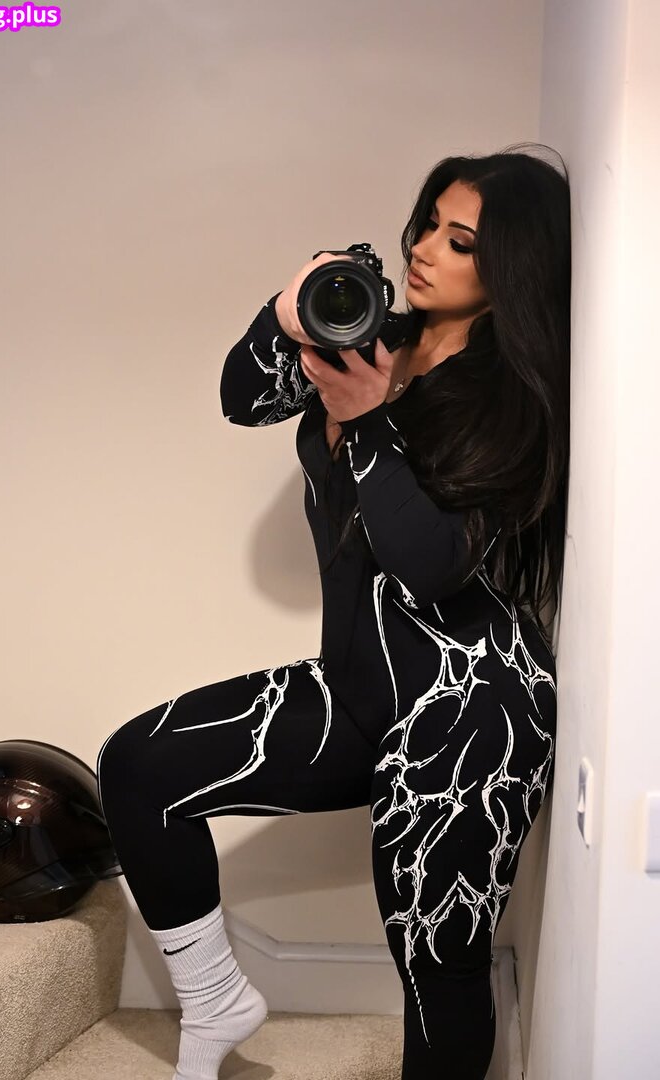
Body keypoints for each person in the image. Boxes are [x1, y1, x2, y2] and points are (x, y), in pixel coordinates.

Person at [96, 142, 571, 1080]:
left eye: (460, 241)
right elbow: (242, 399)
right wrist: (286, 313)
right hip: (359, 682)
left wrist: (367, 419)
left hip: (469, 708)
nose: (425, 248)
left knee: (434, 956)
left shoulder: (514, 390)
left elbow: (429, 563)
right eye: (428, 224)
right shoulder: (365, 333)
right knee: (139, 767)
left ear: (510, 265)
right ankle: (216, 1000)